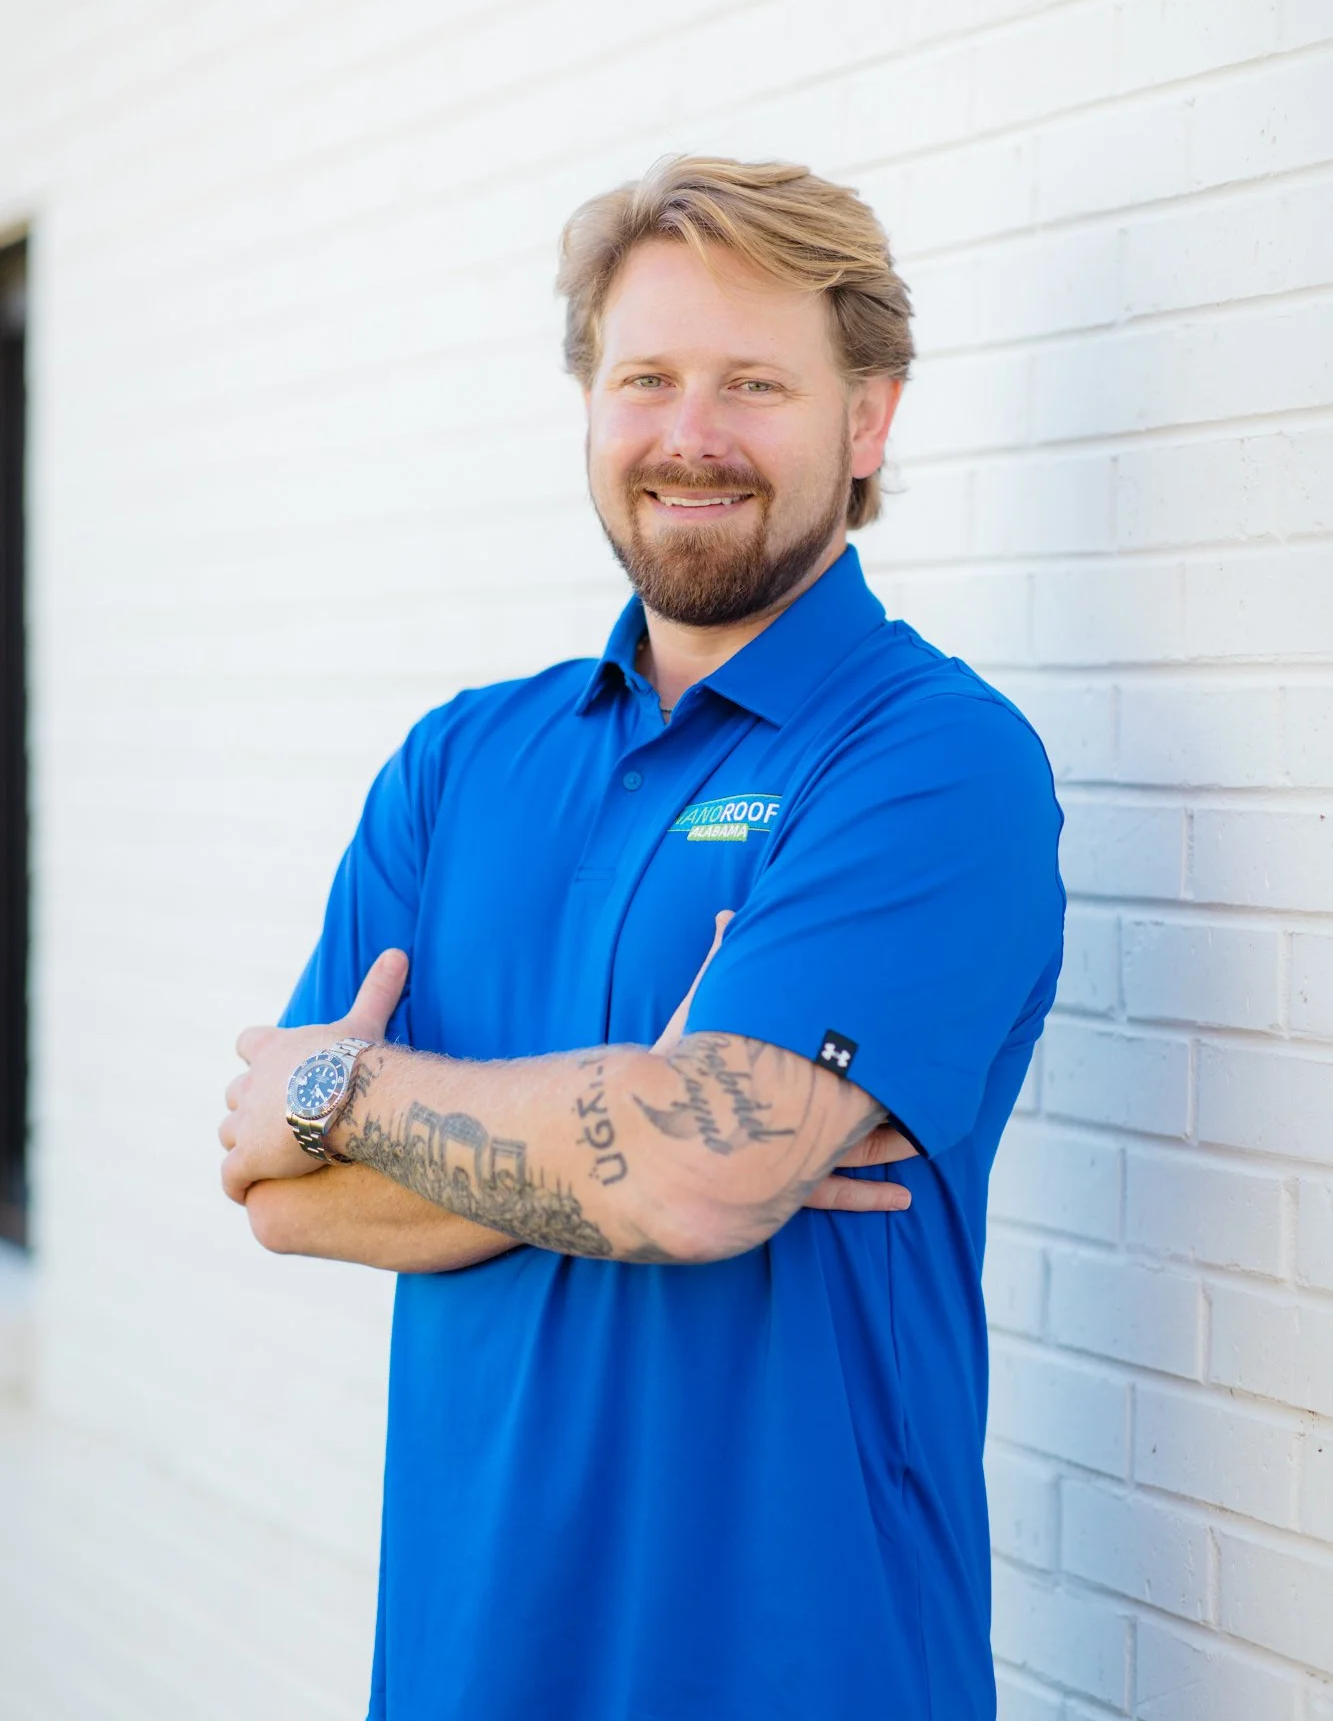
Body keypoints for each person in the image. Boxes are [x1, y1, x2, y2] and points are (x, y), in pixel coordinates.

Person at [220, 155, 1065, 1721]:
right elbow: (281, 1194)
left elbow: (688, 1175)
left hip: (799, 1668)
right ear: (592, 407)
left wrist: (354, 1093)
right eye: (647, 379)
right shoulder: (460, 763)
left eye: (755, 383)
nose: (693, 433)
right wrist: (625, 1132)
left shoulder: (932, 760)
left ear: (868, 421)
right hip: (468, 1665)